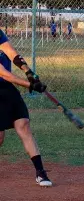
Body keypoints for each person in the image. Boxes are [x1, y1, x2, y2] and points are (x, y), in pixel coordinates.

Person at [0, 29, 52, 187]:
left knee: (23, 124)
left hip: (7, 90)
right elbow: (4, 74)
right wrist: (30, 85)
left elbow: (11, 53)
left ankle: (41, 173)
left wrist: (29, 72)